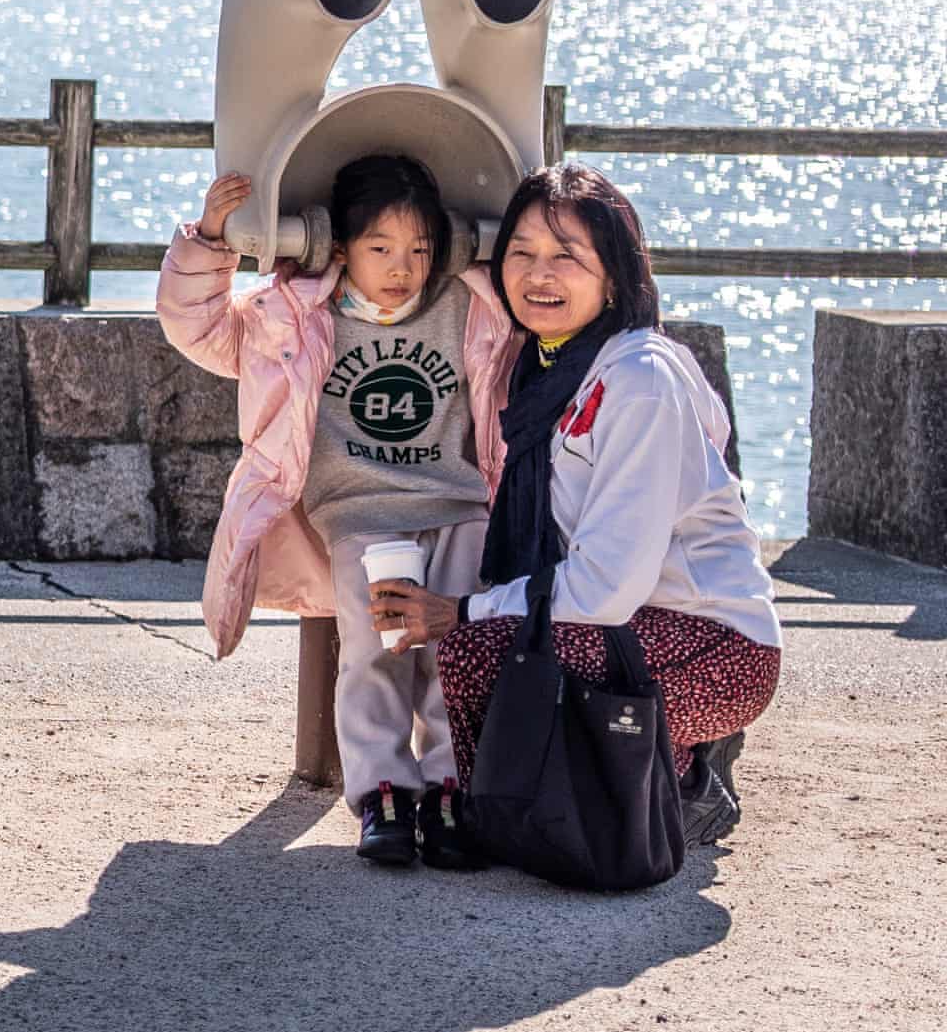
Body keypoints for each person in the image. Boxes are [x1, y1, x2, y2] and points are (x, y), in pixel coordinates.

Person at [376, 167, 777, 846]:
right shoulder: (546, 368)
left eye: (568, 256)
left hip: (717, 647)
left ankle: (678, 786)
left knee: (481, 653)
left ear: (615, 276)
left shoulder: (639, 380)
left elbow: (605, 591)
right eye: (523, 252)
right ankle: (578, 785)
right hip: (629, 629)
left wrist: (463, 610)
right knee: (501, 659)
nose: (540, 274)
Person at [160, 156, 518, 867]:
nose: (403, 267)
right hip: (358, 515)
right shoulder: (292, 316)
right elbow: (196, 327)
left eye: (419, 249)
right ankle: (384, 790)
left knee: (462, 649)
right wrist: (209, 238)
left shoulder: (474, 306)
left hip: (462, 505)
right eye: (380, 248)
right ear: (336, 245)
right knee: (374, 651)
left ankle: (453, 787)